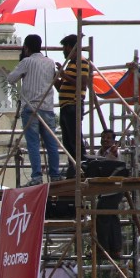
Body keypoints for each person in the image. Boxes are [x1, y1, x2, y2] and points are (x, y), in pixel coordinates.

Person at [7, 33, 61, 182]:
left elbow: (11, 79)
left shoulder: (27, 62)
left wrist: (22, 63)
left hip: (31, 108)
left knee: (33, 144)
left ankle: (37, 175)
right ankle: (55, 175)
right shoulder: (50, 62)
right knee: (51, 144)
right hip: (47, 108)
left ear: (26, 47)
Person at [56, 34, 84, 178]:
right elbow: (64, 87)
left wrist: (64, 75)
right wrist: (57, 80)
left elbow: (81, 83)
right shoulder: (70, 65)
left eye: (65, 47)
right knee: (67, 141)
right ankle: (72, 166)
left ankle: (79, 165)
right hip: (65, 106)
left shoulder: (82, 62)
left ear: (70, 47)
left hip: (73, 105)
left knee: (74, 139)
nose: (63, 51)